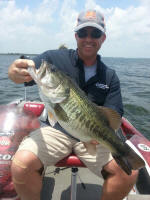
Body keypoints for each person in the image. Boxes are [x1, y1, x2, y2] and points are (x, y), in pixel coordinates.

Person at [8, 9, 138, 200]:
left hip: (94, 136)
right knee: (21, 165)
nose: (88, 38)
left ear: (103, 38)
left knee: (130, 174)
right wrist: (14, 71)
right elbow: (24, 72)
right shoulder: (53, 59)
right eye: (83, 33)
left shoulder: (110, 76)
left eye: (95, 33)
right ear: (76, 35)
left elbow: (114, 115)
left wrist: (98, 137)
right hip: (57, 130)